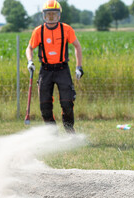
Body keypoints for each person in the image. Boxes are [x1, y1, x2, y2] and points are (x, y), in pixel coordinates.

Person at [25, 0, 83, 133]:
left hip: (62, 70)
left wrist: (78, 67)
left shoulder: (66, 29)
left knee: (67, 103)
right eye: (48, 14)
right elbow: (29, 48)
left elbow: (77, 46)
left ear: (59, 16)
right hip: (45, 71)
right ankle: (52, 134)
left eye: (54, 14)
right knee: (45, 106)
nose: (51, 17)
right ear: (44, 16)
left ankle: (69, 131)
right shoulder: (38, 31)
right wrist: (30, 61)